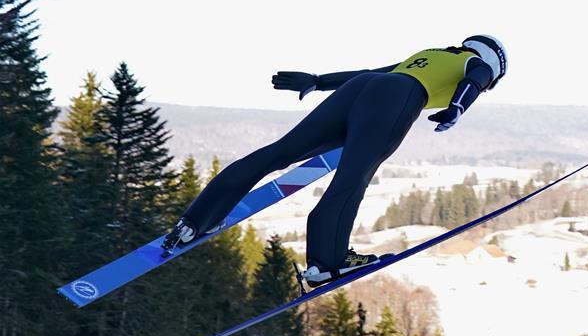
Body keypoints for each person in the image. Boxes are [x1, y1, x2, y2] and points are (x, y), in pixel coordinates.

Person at [162, 36, 508, 287]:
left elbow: (369, 72)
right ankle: (328, 262)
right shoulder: (475, 63)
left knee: (278, 152)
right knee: (353, 177)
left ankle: (196, 221)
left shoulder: (431, 54)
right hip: (398, 98)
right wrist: (458, 107)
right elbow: (475, 79)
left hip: (361, 88)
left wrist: (317, 82)